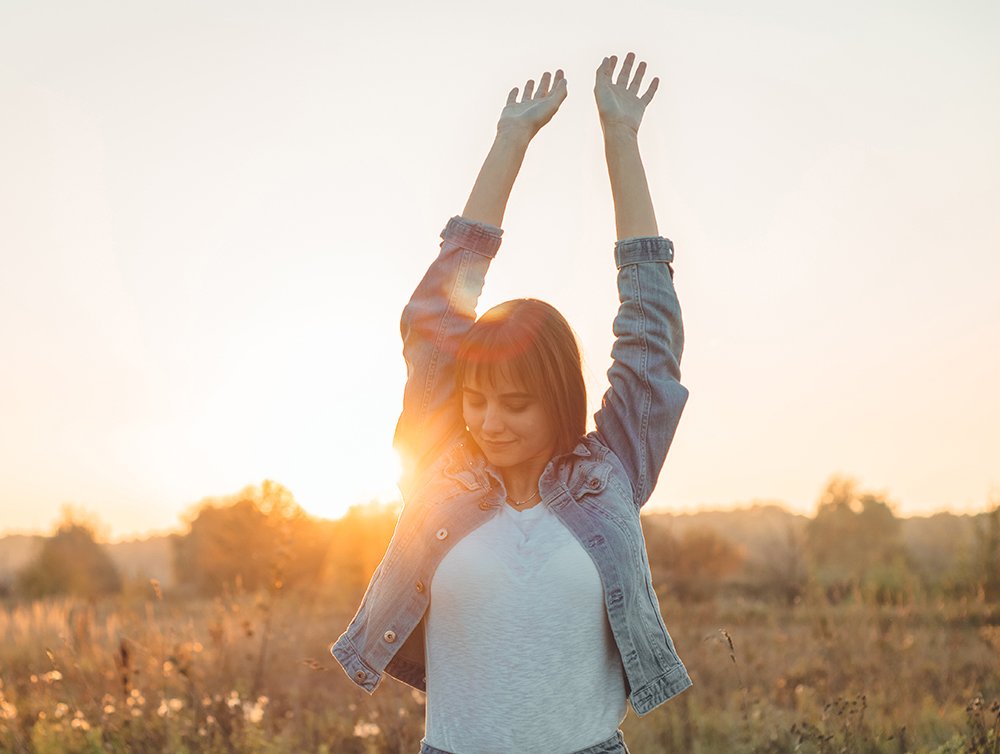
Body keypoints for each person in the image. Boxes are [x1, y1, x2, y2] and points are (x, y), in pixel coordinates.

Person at [331, 51, 692, 754]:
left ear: (559, 400)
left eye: (516, 405)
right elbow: (435, 319)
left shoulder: (610, 472)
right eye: (477, 400)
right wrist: (509, 141)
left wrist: (621, 139)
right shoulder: (441, 470)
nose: (490, 423)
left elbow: (651, 333)